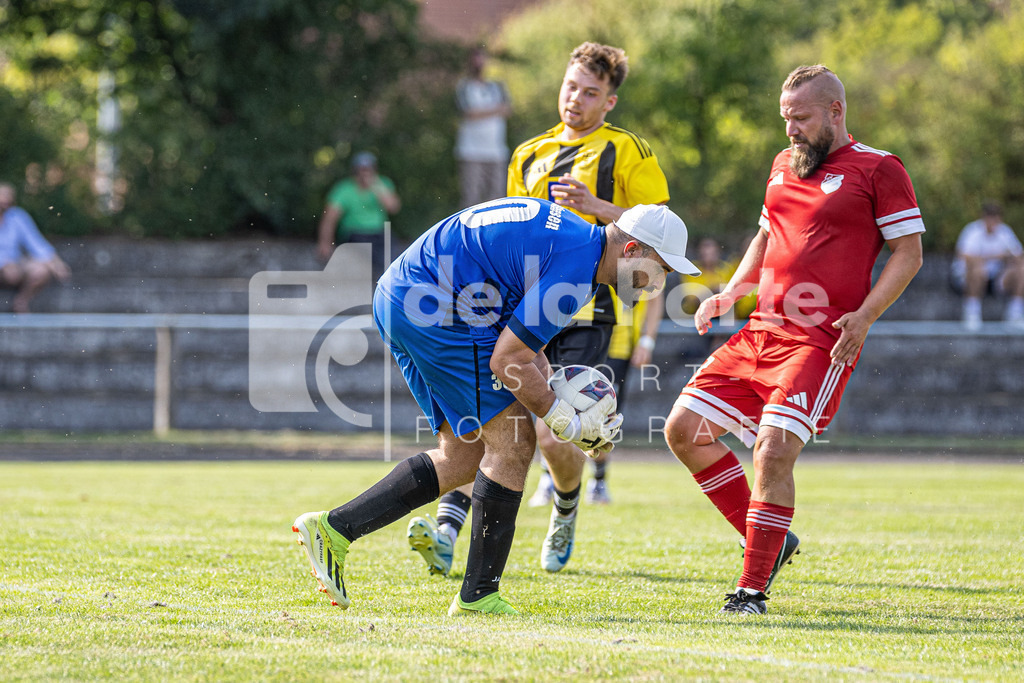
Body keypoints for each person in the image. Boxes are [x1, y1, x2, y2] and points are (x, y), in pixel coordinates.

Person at [292, 198, 700, 615]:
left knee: (464, 454)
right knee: (514, 444)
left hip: (402, 296)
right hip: (434, 307)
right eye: (661, 269)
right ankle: (478, 595)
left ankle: (334, 529)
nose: (658, 282)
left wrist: (557, 402)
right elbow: (507, 361)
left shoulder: (578, 245)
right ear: (631, 250)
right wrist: (567, 422)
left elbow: (525, 349)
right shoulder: (577, 270)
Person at [664, 65, 924, 615]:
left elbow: (909, 253)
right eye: (785, 118)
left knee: (773, 451)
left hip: (820, 340)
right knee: (683, 430)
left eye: (801, 117)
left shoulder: (880, 168)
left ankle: (751, 590)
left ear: (835, 111)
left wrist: (865, 316)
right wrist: (729, 293)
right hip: (760, 330)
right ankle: (771, 539)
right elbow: (766, 236)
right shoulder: (783, 163)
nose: (790, 130)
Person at [409, 41, 675, 577]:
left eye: (591, 92)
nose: (576, 99)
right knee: (490, 421)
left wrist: (597, 207)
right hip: (517, 310)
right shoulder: (528, 153)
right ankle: (447, 530)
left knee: (555, 433)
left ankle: (566, 505)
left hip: (588, 312)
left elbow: (659, 233)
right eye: (571, 87)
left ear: (610, 102)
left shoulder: (628, 149)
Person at [316, 151, 401, 279]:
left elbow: (393, 207)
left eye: (368, 169)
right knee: (365, 256)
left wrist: (376, 187)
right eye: (362, 169)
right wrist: (325, 243)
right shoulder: (344, 189)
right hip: (354, 233)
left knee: (391, 254)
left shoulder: (382, 184)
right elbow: (329, 218)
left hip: (379, 233)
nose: (365, 173)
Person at [951, 201, 1024, 330]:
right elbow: (964, 256)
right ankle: (972, 314)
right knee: (978, 269)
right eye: (989, 217)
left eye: (995, 217)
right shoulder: (972, 230)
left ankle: (1015, 314)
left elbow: (1018, 255)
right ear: (983, 217)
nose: (992, 222)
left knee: (1021, 269)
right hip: (968, 278)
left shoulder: (1005, 231)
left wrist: (1008, 258)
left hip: (997, 279)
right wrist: (996, 256)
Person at [0, 181, 71, 313]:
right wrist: (3, 263)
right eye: (3, 196)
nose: (6, 200)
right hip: (5, 268)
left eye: (8, 196)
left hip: (14, 265)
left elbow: (36, 243)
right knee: (10, 273)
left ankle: (21, 302)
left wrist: (56, 263)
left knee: (40, 270)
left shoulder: (17, 216)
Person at [455, 46, 511, 207]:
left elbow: (508, 109)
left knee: (497, 199)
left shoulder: (497, 86)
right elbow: (468, 113)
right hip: (471, 152)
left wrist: (481, 111)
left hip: (497, 151)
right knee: (471, 199)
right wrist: (495, 110)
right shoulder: (464, 86)